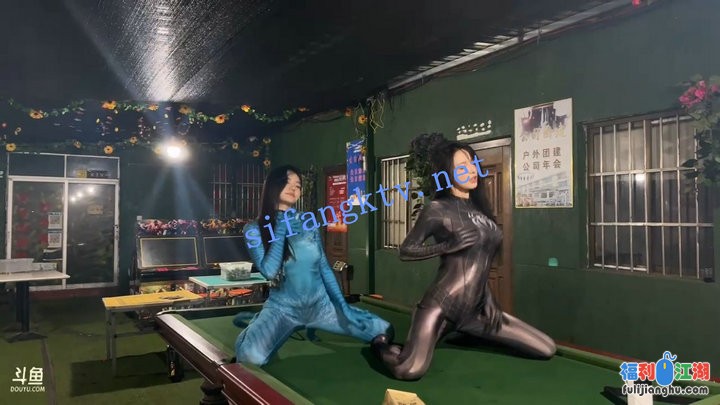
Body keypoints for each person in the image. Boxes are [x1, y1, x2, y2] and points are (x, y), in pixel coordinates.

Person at [371, 136, 556, 380]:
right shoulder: (436, 209)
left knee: (546, 348)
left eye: (472, 163)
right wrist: (446, 246)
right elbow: (406, 250)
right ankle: (379, 345)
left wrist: (488, 298)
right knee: (409, 370)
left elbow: (478, 261)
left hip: (474, 311)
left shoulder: (481, 211)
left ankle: (468, 333)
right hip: (440, 307)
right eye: (461, 166)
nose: (471, 170)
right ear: (446, 173)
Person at [235, 164, 393, 366]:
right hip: (282, 310)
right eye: (288, 183)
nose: (294, 188)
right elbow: (269, 272)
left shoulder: (307, 222)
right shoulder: (253, 229)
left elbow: (324, 267)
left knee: (384, 329)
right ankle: (256, 326)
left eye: (298, 185)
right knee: (250, 358)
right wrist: (281, 228)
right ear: (273, 186)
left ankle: (318, 321)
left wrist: (343, 307)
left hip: (322, 307)